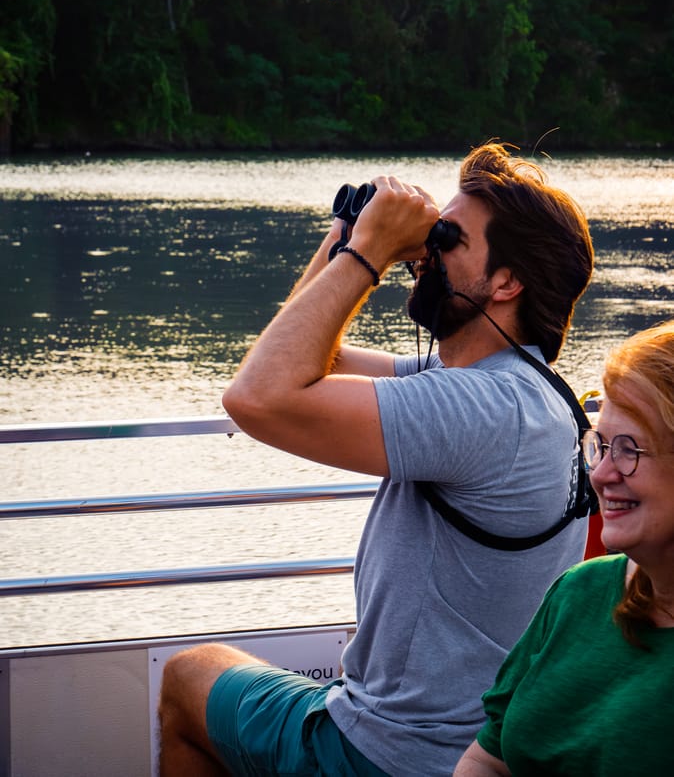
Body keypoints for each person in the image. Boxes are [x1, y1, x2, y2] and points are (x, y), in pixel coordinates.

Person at [158, 142, 594, 776]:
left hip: (395, 754)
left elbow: (255, 397)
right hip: (470, 746)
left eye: (450, 239)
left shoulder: (482, 409)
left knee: (186, 677)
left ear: (506, 282)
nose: (428, 252)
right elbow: (313, 355)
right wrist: (351, 235)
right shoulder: (519, 389)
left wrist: (369, 254)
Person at [454, 319, 674, 777]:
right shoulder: (579, 591)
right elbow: (486, 760)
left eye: (630, 449)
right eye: (602, 445)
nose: (601, 474)